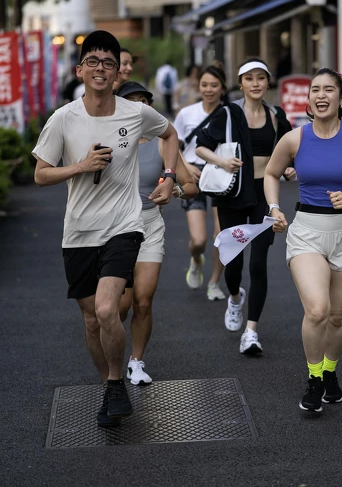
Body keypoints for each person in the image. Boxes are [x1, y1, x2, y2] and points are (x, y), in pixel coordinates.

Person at [32, 30, 181, 427]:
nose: (101, 69)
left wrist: (169, 176)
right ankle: (108, 387)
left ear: (118, 73)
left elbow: (169, 133)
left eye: (109, 63)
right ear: (80, 70)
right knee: (91, 320)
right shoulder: (63, 119)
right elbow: (41, 175)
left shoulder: (136, 113)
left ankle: (117, 383)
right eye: (93, 61)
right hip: (79, 231)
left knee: (106, 308)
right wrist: (80, 166)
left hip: (124, 225)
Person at [264, 68, 342, 412]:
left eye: (329, 90)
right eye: (315, 89)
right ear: (309, 99)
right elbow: (271, 173)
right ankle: (314, 377)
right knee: (317, 310)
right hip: (307, 232)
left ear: (341, 99)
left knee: (338, 316)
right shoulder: (294, 139)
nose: (321, 95)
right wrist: (274, 207)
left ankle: (330, 371)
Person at [196, 58, 294, 355]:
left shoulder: (276, 115)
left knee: (258, 263)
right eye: (249, 78)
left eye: (260, 78)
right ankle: (235, 297)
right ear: (240, 84)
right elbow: (200, 146)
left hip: (265, 195)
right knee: (234, 265)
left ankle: (251, 331)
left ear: (267, 82)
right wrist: (222, 161)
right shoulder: (227, 113)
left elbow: (291, 148)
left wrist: (290, 167)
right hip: (234, 194)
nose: (255, 83)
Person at [114, 81, 197, 385]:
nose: (139, 106)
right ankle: (112, 354)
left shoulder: (163, 141)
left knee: (143, 300)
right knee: (120, 306)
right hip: (116, 227)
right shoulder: (108, 138)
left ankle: (136, 362)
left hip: (150, 224)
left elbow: (191, 186)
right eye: (131, 100)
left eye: (144, 101)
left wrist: (173, 189)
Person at [173, 63, 228, 301]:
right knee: (199, 240)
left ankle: (214, 282)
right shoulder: (186, 114)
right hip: (192, 175)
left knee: (220, 235)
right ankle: (196, 259)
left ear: (222, 88)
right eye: (204, 85)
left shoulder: (230, 114)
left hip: (221, 176)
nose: (208, 89)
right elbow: (172, 145)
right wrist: (185, 166)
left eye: (214, 85)